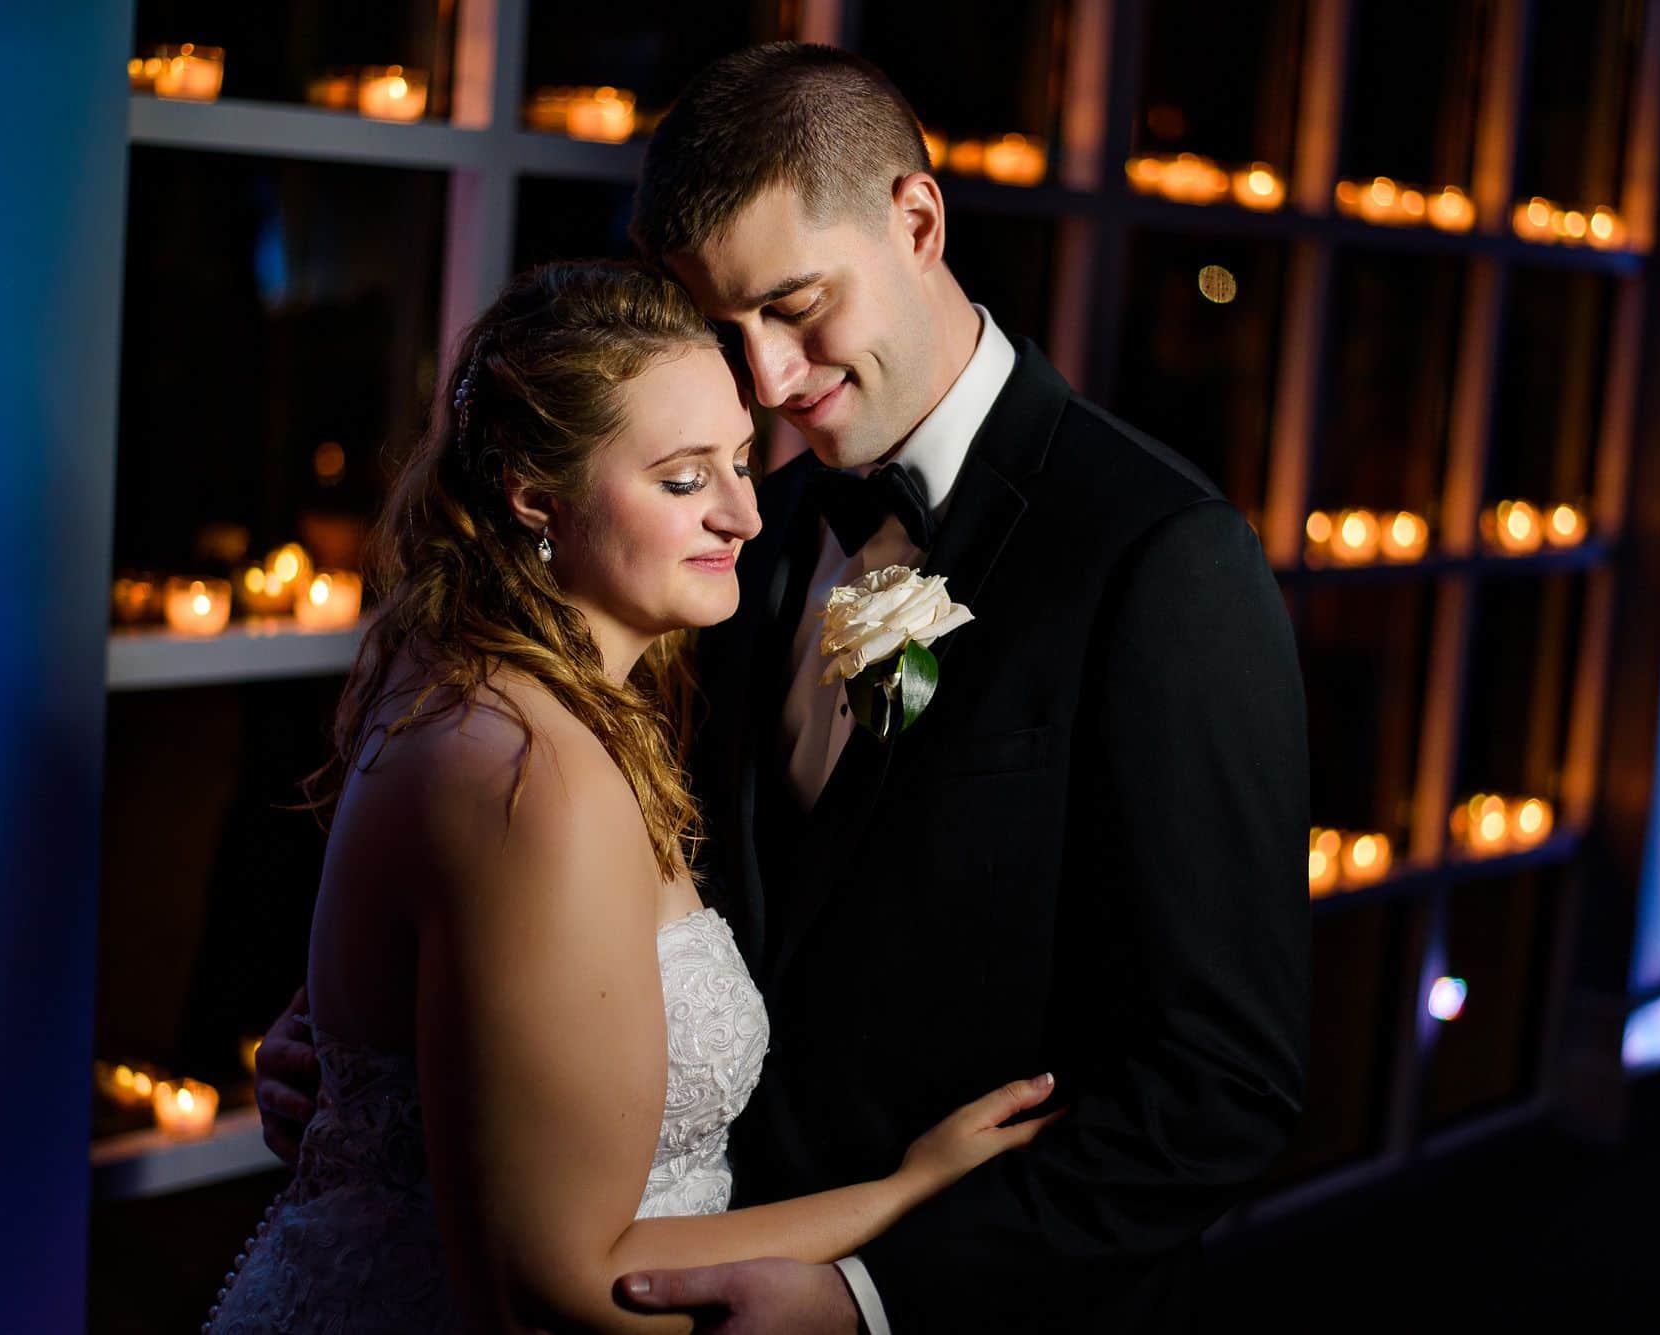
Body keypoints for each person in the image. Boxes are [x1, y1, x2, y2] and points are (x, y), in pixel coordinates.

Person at [262, 40, 1311, 1332]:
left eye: (796, 306)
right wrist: (396, 1047)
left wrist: (871, 1294)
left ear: (917, 220)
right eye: (726, 326)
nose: (764, 376)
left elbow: (1223, 1085)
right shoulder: (725, 539)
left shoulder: (1163, 559)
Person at [216, 258, 1060, 1334]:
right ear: (533, 494)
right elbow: (548, 1285)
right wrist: (900, 1196)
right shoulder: (532, 769)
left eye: (744, 462)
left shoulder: (486, 678)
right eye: (680, 479)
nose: (743, 517)